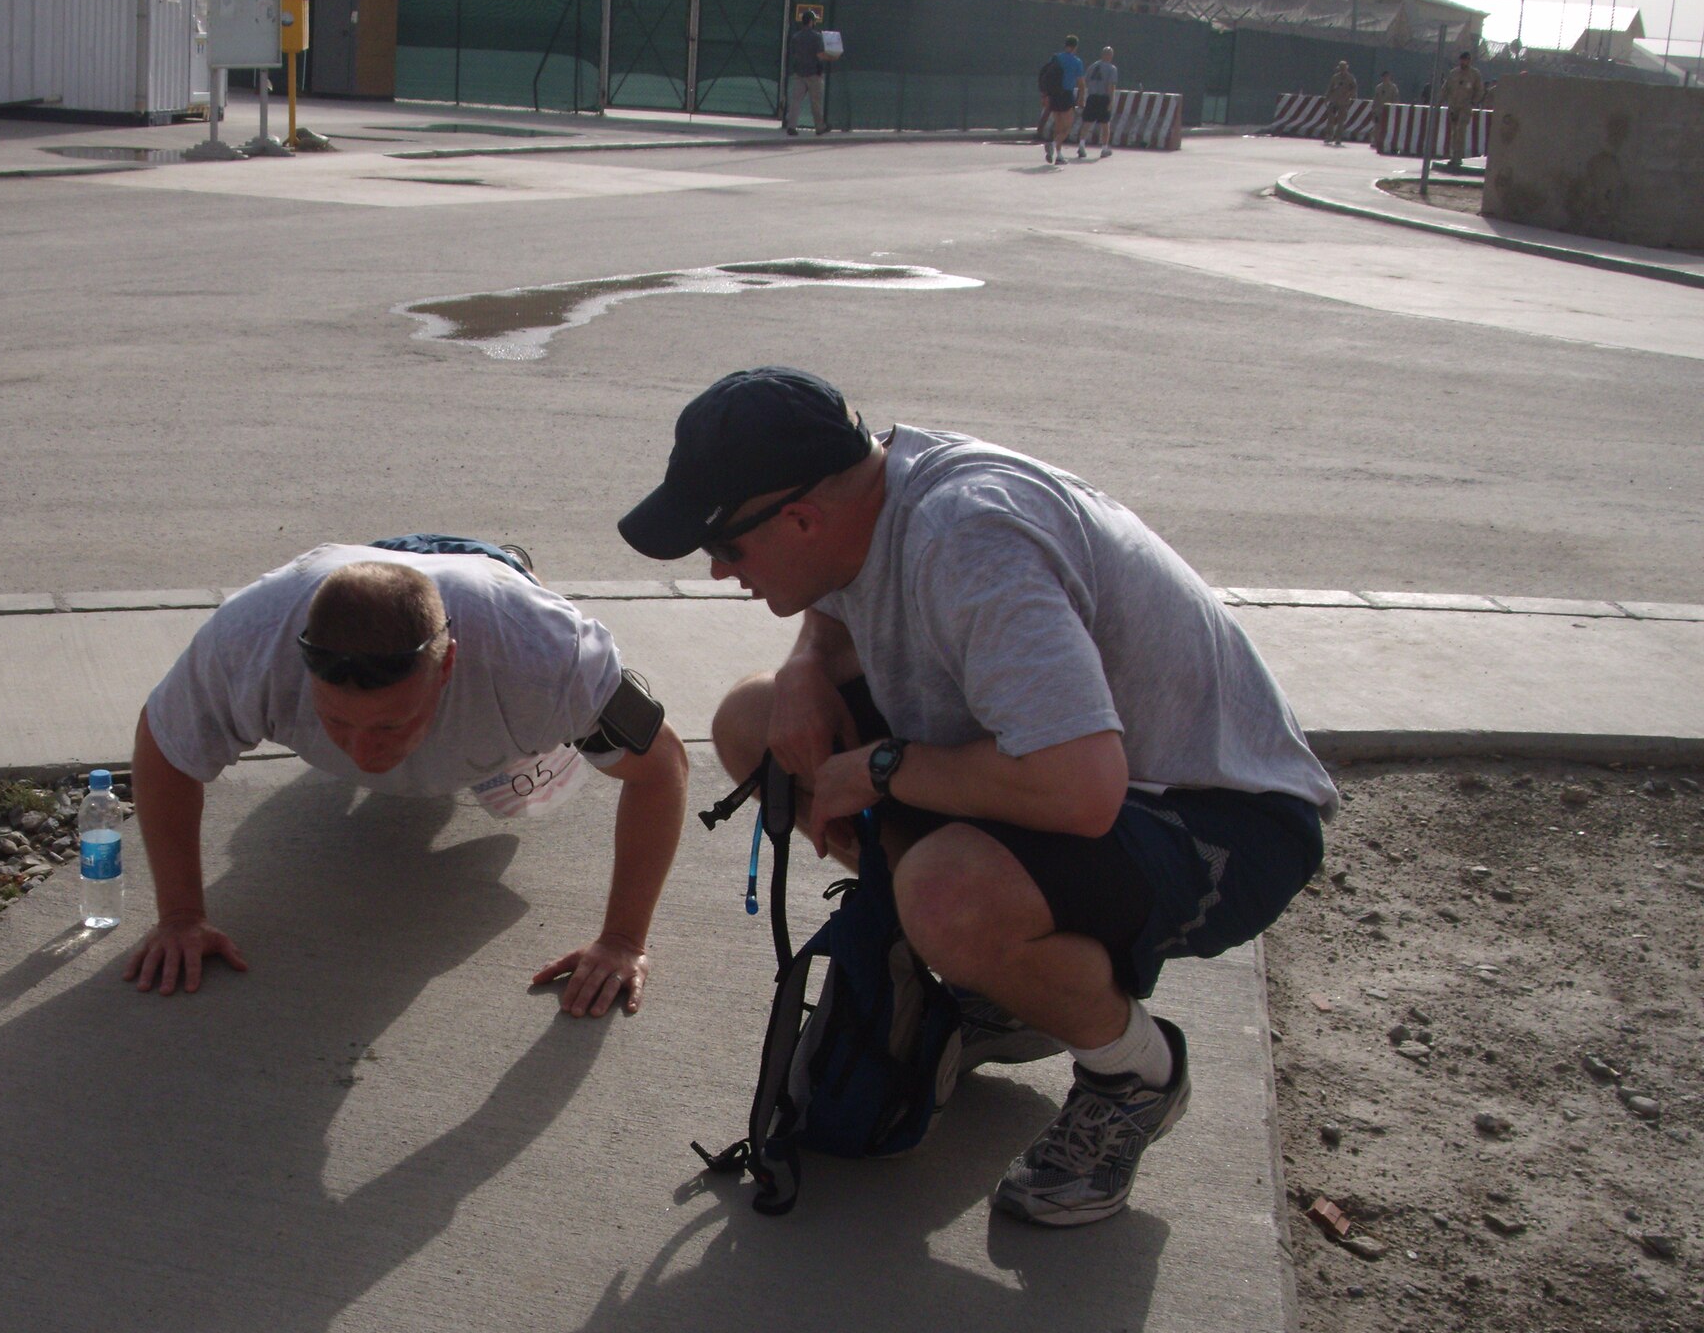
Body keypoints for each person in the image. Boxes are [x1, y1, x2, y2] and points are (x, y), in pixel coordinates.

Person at [618, 368, 1335, 1227]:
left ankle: (1133, 1073)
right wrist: (808, 667)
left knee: (946, 896)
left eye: (727, 548)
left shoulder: (970, 543)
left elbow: (1081, 789)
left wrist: (880, 767)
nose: (716, 571)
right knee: (755, 722)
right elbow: (840, 593)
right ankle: (1006, 981)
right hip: (1080, 777)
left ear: (800, 518)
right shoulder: (872, 487)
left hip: (1222, 820)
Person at [124, 539, 689, 1017]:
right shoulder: (247, 644)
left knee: (500, 772)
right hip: (355, 569)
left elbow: (662, 768)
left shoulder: (544, 656)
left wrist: (623, 939)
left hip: (487, 583)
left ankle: (511, 561)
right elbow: (164, 746)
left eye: (390, 725)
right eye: (336, 722)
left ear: (447, 666)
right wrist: (181, 915)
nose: (363, 753)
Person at [783, 11, 832, 137]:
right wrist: (831, 56)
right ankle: (819, 127)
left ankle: (791, 126)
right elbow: (820, 55)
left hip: (799, 73)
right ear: (811, 21)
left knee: (796, 101)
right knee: (815, 102)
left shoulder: (796, 37)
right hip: (813, 73)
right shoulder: (817, 37)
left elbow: (793, 54)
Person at [1041, 35, 1086, 165]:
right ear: (1075, 47)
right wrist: (1081, 99)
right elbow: (1081, 83)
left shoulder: (1056, 58)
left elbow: (1047, 76)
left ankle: (1059, 155)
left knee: (1058, 126)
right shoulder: (1077, 62)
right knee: (1067, 128)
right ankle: (1052, 145)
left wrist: (1045, 95)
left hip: (1054, 95)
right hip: (1066, 95)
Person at [1440, 50, 1485, 167]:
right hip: (1453, 107)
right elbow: (1446, 88)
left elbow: (1480, 90)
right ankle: (1453, 155)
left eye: (1466, 60)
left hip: (1465, 107)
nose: (1464, 62)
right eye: (1462, 60)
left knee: (1461, 130)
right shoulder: (1453, 73)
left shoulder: (1474, 74)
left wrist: (1473, 102)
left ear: (1469, 61)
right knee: (1454, 132)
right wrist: (1440, 101)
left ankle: (1458, 156)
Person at [1081, 46, 1119, 158]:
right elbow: (1111, 86)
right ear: (1110, 56)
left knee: (1087, 122)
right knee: (1105, 124)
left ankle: (1081, 146)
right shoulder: (1112, 69)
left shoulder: (1093, 66)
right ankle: (1104, 148)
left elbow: (1085, 81)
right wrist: (1111, 100)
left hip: (1092, 97)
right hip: (1103, 98)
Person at [1322, 60, 1357, 146]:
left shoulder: (1350, 78)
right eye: (1341, 68)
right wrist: (1327, 97)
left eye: (1343, 68)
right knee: (1330, 119)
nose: (1342, 69)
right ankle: (1329, 136)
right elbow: (1330, 88)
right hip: (1334, 100)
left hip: (1344, 102)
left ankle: (1338, 137)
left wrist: (1350, 95)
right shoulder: (1335, 77)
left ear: (1346, 68)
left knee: (1341, 121)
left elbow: (1354, 89)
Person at [1369, 70, 1399, 150]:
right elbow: (1376, 99)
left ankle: (1385, 141)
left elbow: (1395, 99)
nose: (1385, 78)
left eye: (1387, 76)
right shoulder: (1379, 87)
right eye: (1384, 77)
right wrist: (1373, 109)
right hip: (1379, 109)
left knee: (1387, 126)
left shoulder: (1393, 87)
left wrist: (1394, 108)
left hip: (1389, 110)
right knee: (1377, 126)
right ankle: (1375, 141)